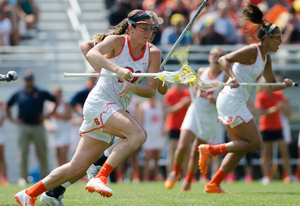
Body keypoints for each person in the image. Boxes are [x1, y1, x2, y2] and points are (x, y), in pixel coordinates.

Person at [14, 9, 161, 205]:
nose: (149, 32)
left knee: (77, 168)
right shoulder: (117, 42)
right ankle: (101, 175)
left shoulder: (154, 53)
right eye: (144, 27)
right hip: (99, 102)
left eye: (152, 29)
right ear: (131, 27)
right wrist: (115, 69)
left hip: (114, 107)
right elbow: (92, 52)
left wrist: (133, 86)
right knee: (138, 135)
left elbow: (151, 91)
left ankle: (29, 193)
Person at [197, 2, 294, 193]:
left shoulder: (266, 58)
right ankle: (210, 150)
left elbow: (272, 85)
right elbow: (224, 59)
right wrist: (232, 77)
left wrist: (284, 85)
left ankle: (213, 184)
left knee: (241, 148)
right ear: (267, 38)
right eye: (278, 38)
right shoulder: (253, 50)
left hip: (234, 101)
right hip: (231, 99)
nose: (281, 41)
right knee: (256, 143)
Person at [164, 47, 228, 192]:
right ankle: (175, 172)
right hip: (195, 111)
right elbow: (195, 88)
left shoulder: (224, 76)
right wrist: (191, 86)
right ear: (209, 57)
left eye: (220, 56)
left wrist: (216, 100)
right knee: (182, 145)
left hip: (210, 116)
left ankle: (188, 181)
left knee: (195, 151)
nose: (216, 58)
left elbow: (227, 98)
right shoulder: (201, 72)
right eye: (214, 55)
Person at [6, 70, 57, 186]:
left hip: (38, 126)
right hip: (24, 127)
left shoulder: (40, 92)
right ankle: (23, 178)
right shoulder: (19, 93)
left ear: (33, 80)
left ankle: (44, 177)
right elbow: (8, 106)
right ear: (24, 81)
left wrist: (47, 115)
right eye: (27, 79)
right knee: (23, 153)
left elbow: (54, 100)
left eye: (30, 79)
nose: (29, 81)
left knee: (42, 153)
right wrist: (12, 119)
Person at [255, 81, 295, 185]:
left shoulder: (279, 95)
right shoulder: (261, 96)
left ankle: (289, 176)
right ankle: (266, 177)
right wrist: (276, 108)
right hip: (266, 127)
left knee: (285, 152)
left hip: (278, 127)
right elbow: (263, 112)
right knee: (266, 154)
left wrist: (285, 105)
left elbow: (287, 113)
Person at [163, 83, 190, 176]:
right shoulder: (170, 93)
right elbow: (169, 110)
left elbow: (191, 108)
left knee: (186, 152)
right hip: (173, 126)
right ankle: (171, 175)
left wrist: (188, 103)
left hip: (185, 126)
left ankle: (186, 177)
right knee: (172, 152)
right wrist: (182, 103)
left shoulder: (187, 93)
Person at [137, 94, 164, 181]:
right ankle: (146, 176)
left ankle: (155, 175)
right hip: (148, 134)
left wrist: (164, 129)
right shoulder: (143, 107)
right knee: (148, 156)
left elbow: (162, 119)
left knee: (157, 156)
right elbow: (140, 121)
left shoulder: (159, 106)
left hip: (157, 133)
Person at [44, 86, 72, 167]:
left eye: (58, 92)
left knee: (63, 154)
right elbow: (46, 119)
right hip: (55, 132)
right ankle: (59, 175)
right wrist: (48, 126)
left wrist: (59, 115)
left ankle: (66, 175)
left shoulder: (65, 103)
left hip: (64, 130)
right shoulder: (49, 104)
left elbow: (69, 116)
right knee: (57, 156)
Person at [0, 98, 8, 185]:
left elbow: (5, 113)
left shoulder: (1, 105)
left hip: (0, 134)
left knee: (1, 156)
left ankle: (5, 178)